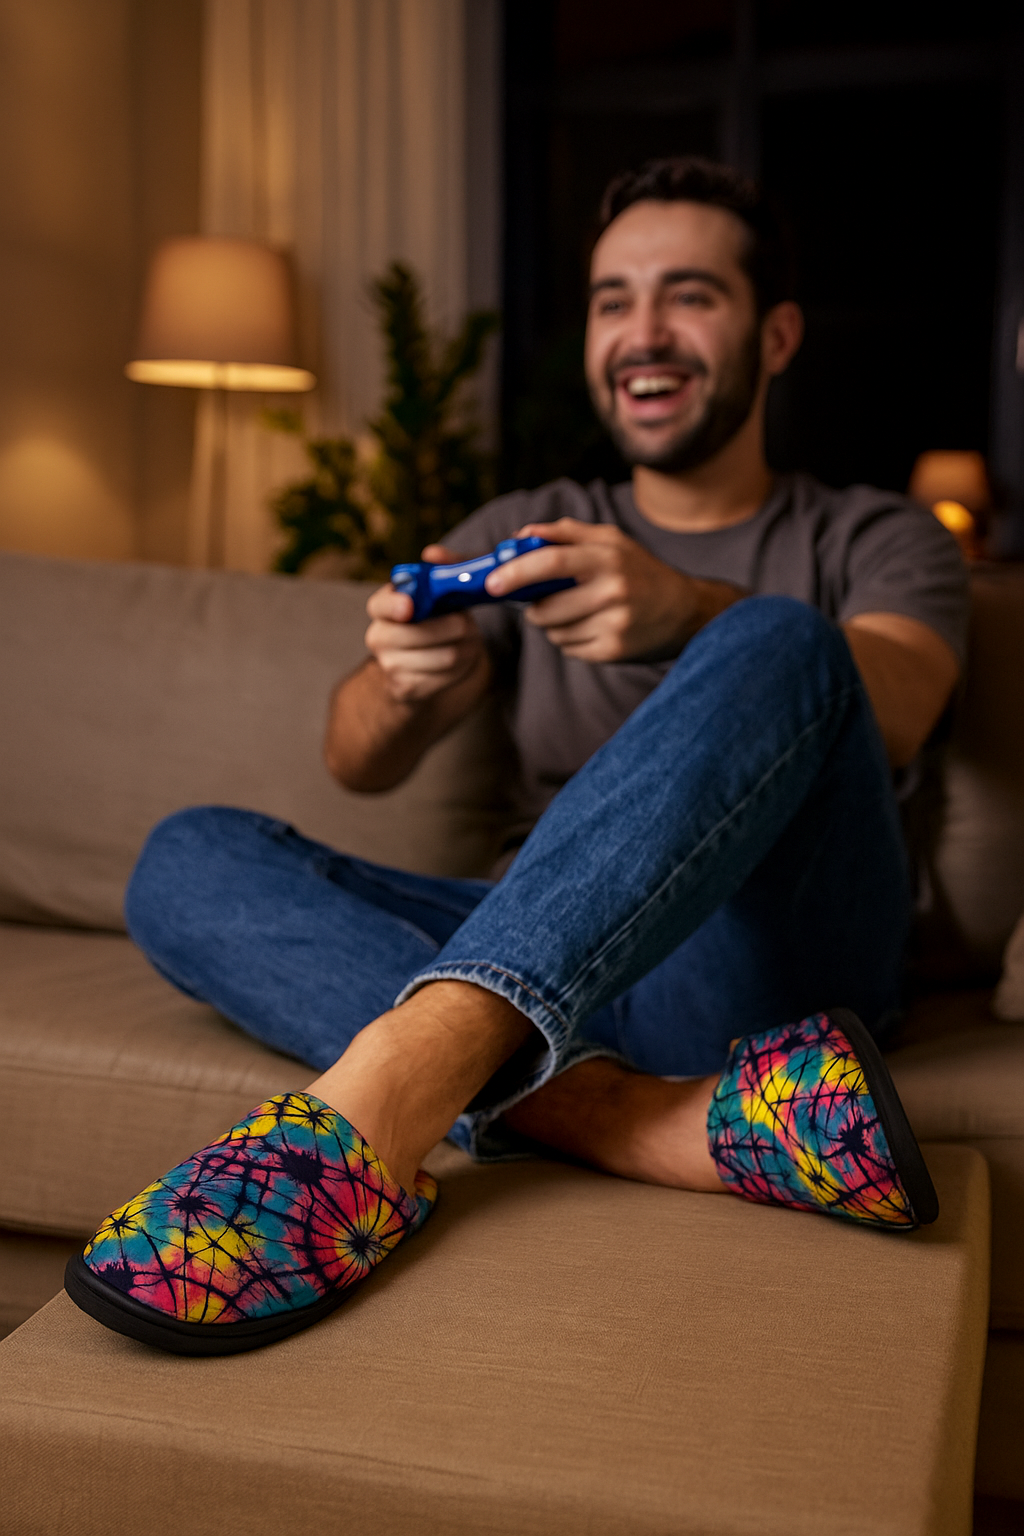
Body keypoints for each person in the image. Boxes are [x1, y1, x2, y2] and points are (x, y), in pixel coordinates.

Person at [66, 158, 966, 1355]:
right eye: (611, 300)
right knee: (185, 859)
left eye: (689, 295)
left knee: (780, 639)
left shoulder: (872, 533)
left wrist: (691, 614)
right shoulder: (525, 525)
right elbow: (357, 764)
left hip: (764, 970)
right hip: (557, 958)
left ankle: (388, 1098)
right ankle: (657, 1121)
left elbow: (893, 706)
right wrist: (404, 682)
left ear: (777, 332)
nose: (641, 333)